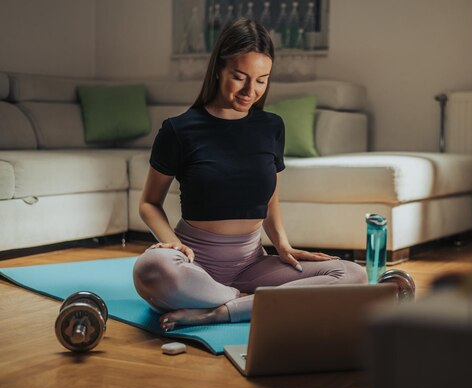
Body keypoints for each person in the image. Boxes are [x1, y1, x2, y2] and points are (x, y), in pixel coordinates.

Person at [132, 18, 367, 331]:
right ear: (218, 69)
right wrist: (172, 244)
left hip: (252, 264)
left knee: (352, 275)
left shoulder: (271, 127)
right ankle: (251, 302)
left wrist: (282, 245)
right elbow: (149, 202)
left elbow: (270, 199)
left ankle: (220, 310)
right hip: (193, 265)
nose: (250, 90)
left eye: (261, 80)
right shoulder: (179, 130)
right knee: (150, 268)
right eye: (239, 77)